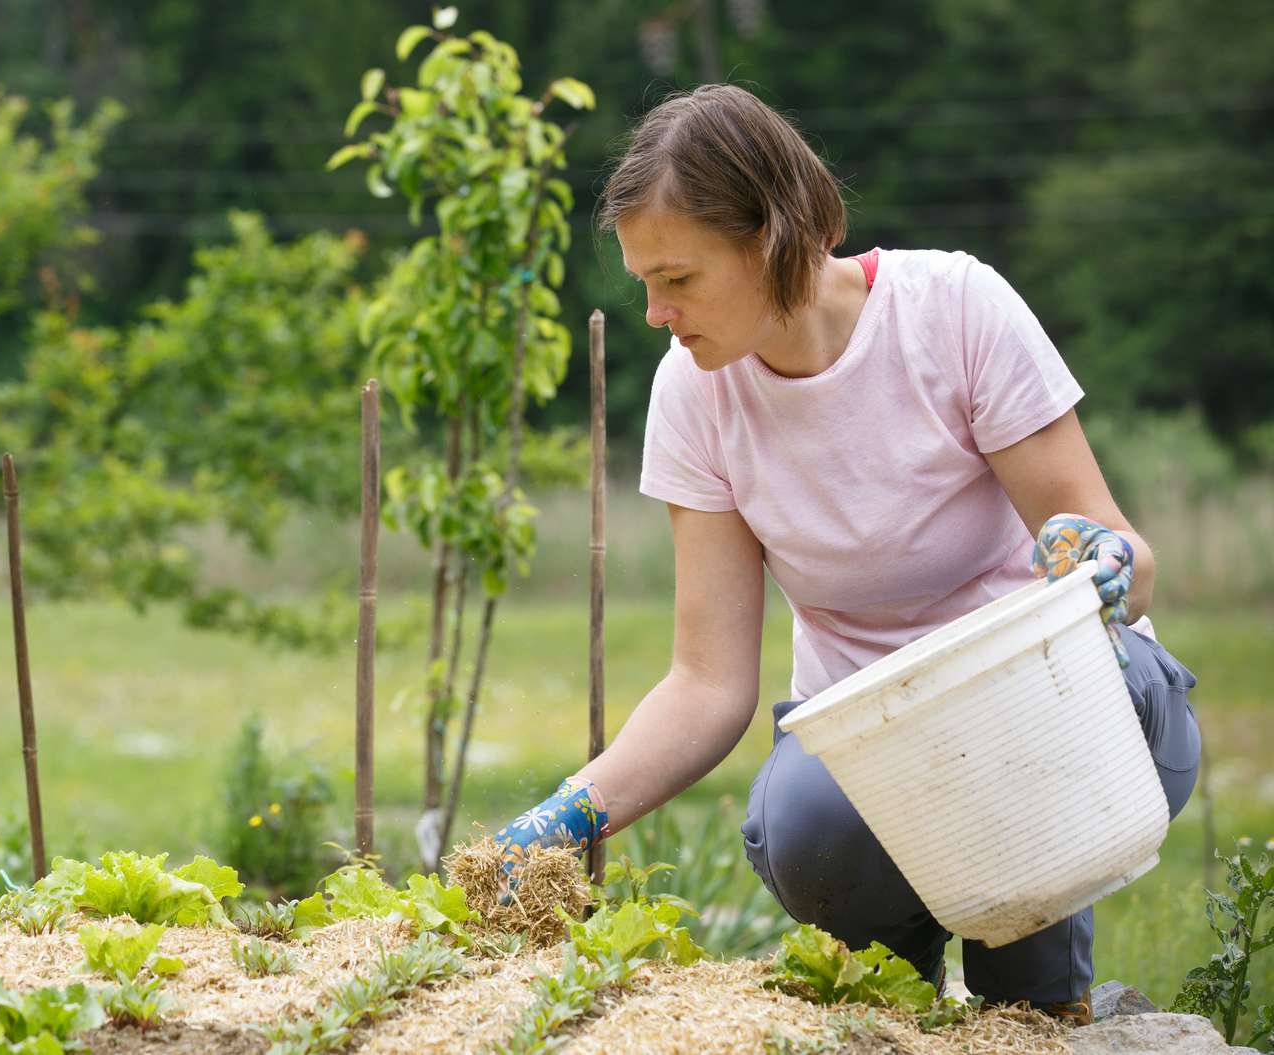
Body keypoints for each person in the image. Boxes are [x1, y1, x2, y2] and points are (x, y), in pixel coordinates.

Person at [492, 84, 1201, 1023]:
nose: (655, 313)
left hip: (1056, 712)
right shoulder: (694, 395)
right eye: (643, 284)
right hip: (874, 750)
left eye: (679, 278)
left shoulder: (953, 311)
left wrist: (1100, 565)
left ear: (772, 238)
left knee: (1021, 1004)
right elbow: (708, 686)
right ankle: (902, 1002)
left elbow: (1129, 561)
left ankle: (1036, 1003)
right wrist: (566, 815)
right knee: (805, 833)